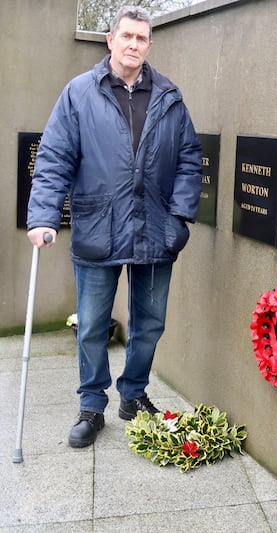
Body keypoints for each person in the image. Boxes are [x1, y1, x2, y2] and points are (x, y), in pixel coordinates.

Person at [26, 6, 202, 448]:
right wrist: (44, 216)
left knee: (150, 323)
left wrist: (180, 218)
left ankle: (134, 395)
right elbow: (54, 158)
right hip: (98, 226)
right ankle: (91, 405)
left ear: (149, 45)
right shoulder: (79, 93)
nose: (133, 45)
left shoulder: (169, 96)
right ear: (111, 40)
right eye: (126, 36)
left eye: (141, 38)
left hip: (156, 230)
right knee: (90, 325)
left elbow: (188, 158)